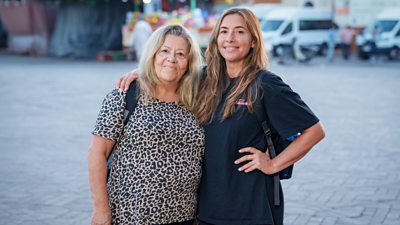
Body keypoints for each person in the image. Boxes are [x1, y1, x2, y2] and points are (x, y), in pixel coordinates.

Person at [117, 8, 325, 225]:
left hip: (250, 211)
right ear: (216, 39)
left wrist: (273, 164)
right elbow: (170, 71)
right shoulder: (204, 79)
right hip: (205, 211)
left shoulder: (265, 84)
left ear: (253, 41)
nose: (230, 39)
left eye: (239, 32)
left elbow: (314, 131)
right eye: (224, 31)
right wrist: (142, 73)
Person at [88, 24, 205, 225]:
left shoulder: (197, 99)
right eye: (165, 51)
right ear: (152, 54)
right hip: (132, 216)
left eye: (180, 54)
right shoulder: (125, 95)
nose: (172, 59)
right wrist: (101, 209)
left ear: (189, 62)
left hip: (185, 216)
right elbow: (96, 153)